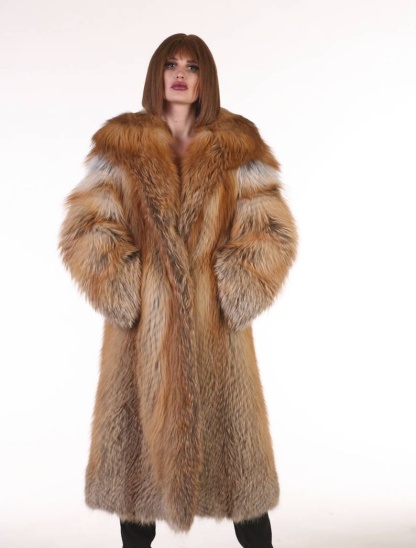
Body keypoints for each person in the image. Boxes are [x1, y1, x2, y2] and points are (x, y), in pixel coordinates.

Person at [59, 33, 298, 547]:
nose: (181, 74)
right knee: (136, 481)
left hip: (218, 341)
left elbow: (271, 230)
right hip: (141, 342)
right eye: (171, 64)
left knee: (241, 480)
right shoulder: (121, 145)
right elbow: (87, 229)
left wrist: (226, 292)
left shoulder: (239, 145)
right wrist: (134, 294)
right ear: (158, 74)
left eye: (192, 66)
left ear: (205, 78)